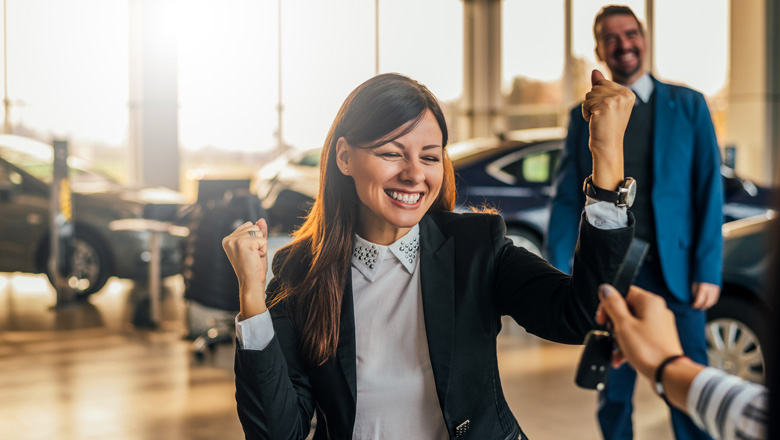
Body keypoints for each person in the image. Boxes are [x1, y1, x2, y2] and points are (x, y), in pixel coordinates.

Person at [222, 71, 635, 439]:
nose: (415, 174)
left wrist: (607, 156)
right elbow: (279, 432)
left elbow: (581, 315)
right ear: (345, 157)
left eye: (430, 157)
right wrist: (252, 301)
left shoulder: (475, 247)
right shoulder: (302, 272)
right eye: (391, 153)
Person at [546, 5, 724, 440]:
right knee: (614, 392)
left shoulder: (689, 105)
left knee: (691, 382)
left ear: (643, 38)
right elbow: (568, 195)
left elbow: (708, 190)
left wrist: (708, 270)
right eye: (611, 38)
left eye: (630, 34)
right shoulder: (581, 115)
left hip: (677, 272)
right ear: (599, 49)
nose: (623, 44)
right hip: (614, 272)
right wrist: (561, 272)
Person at [595, 284, 769, 440]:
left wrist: (667, 367)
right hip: (622, 282)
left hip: (682, 284)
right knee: (614, 390)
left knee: (693, 408)